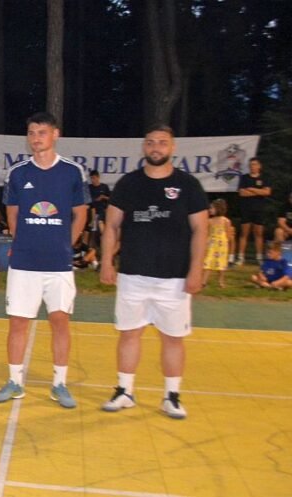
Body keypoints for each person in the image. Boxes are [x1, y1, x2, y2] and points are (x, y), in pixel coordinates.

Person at [100, 124, 209, 420]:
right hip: (133, 274)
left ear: (172, 147)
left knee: (172, 338)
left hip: (174, 278)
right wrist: (107, 261)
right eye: (150, 142)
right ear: (143, 147)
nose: (155, 147)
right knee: (129, 334)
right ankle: (124, 392)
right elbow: (112, 226)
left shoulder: (188, 185)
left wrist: (196, 269)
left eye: (162, 142)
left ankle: (171, 396)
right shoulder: (128, 183)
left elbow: (201, 230)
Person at [0, 112, 89, 408]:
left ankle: (59, 384)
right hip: (24, 263)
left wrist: (65, 244)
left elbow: (81, 214)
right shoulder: (18, 173)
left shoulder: (72, 172)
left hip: (59, 265)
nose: (36, 138)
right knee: (18, 323)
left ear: (55, 134)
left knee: (60, 322)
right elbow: (12, 215)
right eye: (32, 133)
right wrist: (24, 243)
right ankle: (14, 381)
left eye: (42, 132)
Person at [236, 158, 271, 265]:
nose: (252, 166)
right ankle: (241, 257)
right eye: (251, 164)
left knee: (259, 233)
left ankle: (259, 257)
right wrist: (259, 191)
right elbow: (242, 193)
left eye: (255, 164)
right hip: (246, 209)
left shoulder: (264, 178)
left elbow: (267, 192)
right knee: (244, 233)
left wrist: (252, 189)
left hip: (259, 209)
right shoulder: (244, 178)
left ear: (259, 166)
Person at [203, 199, 233, 288]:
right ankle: (204, 281)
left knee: (221, 262)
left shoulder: (226, 221)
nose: (210, 210)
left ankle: (221, 281)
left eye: (212, 208)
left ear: (218, 209)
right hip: (211, 244)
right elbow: (207, 232)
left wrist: (227, 242)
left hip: (222, 245)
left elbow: (228, 234)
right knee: (208, 261)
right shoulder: (209, 221)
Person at [88, 170, 110, 248]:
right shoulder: (89, 187)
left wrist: (104, 197)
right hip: (92, 211)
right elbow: (86, 199)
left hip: (102, 211)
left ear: (98, 177)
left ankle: (104, 245)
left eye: (94, 178)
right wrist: (96, 199)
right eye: (91, 178)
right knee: (91, 230)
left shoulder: (104, 187)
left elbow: (111, 199)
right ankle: (90, 248)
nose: (92, 180)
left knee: (100, 227)